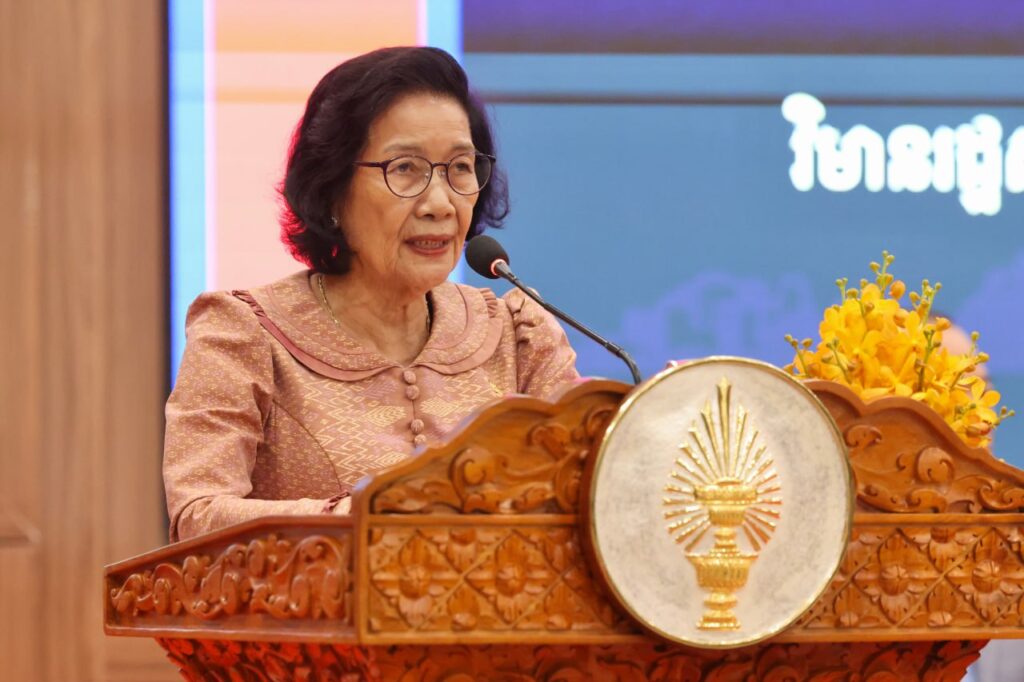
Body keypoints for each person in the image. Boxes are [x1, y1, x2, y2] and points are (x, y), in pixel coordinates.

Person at [163, 47, 579, 542]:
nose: (440, 203)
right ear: (333, 189)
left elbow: (591, 493)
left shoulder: (518, 334)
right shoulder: (245, 335)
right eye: (404, 168)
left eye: (460, 167)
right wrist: (366, 516)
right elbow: (198, 517)